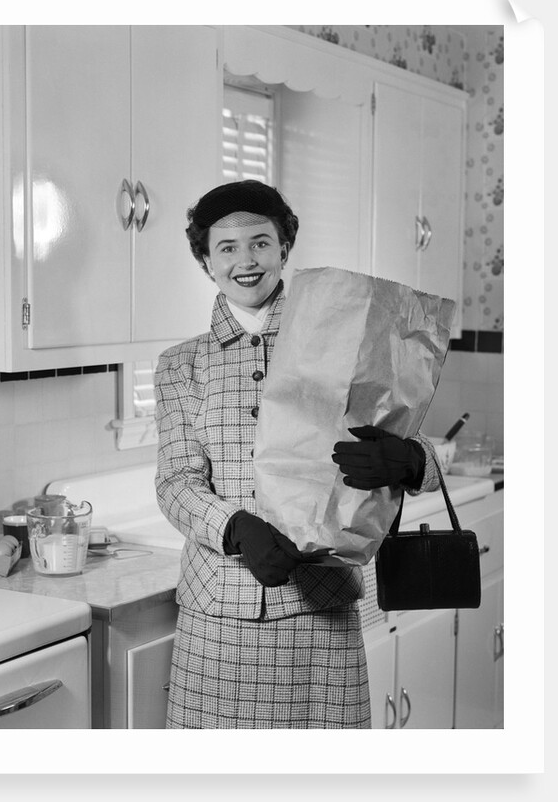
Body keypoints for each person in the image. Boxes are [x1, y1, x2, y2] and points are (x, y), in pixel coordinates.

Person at [154, 180, 440, 729]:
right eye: (227, 247)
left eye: (260, 242)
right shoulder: (181, 365)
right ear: (205, 260)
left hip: (322, 610)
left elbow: (419, 440)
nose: (246, 260)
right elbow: (175, 483)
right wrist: (235, 526)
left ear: (285, 248)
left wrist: (410, 460)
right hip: (220, 619)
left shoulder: (346, 337)